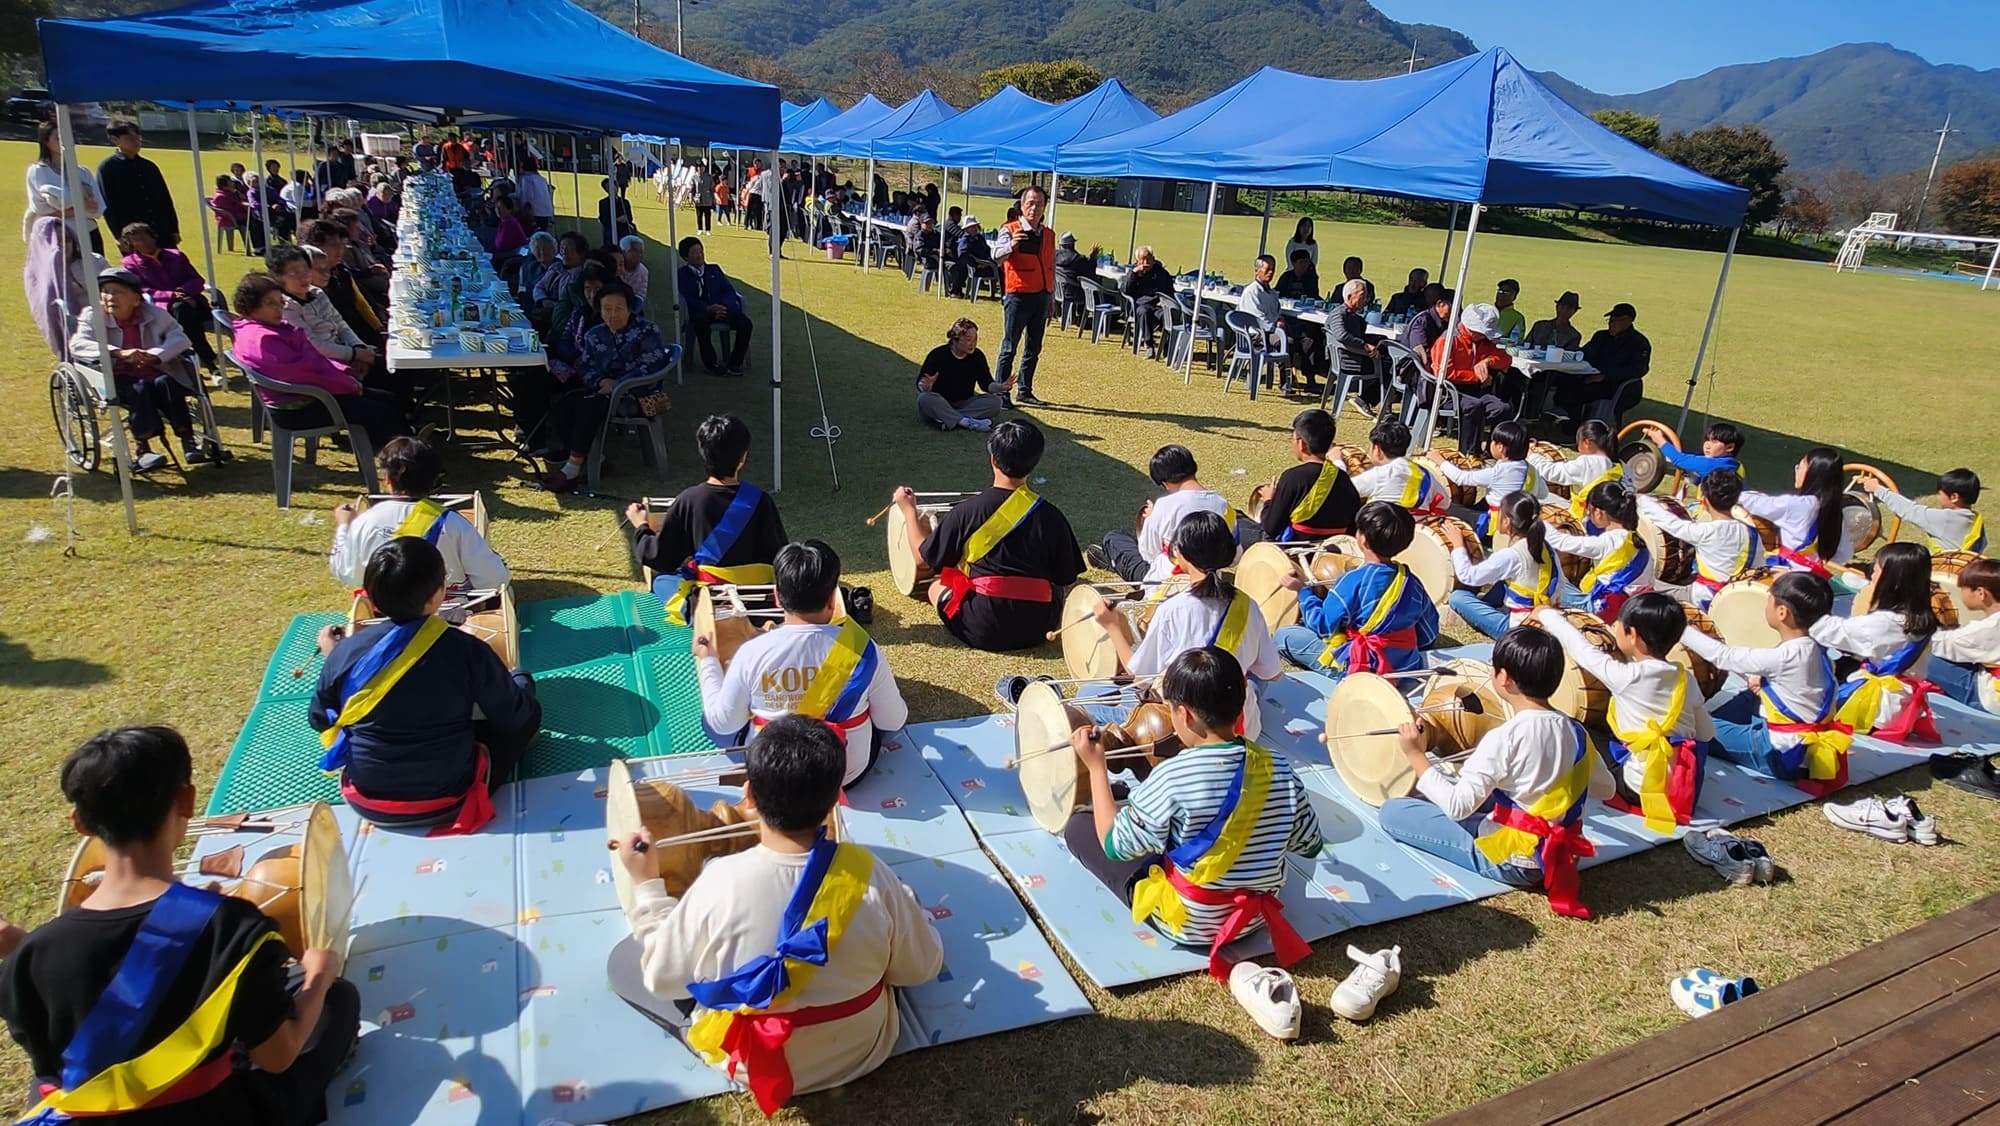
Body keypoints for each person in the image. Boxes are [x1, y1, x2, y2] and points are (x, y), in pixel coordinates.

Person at [0, 726, 359, 1124]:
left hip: (90, 1114)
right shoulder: (232, 929)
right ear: (187, 800)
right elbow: (278, 1056)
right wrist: (318, 978)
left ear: (80, 823)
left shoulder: (29, 958)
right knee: (339, 1002)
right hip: (214, 1114)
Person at [610, 714, 943, 1117]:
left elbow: (664, 982)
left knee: (627, 961)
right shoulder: (870, 874)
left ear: (748, 795)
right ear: (836, 795)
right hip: (860, 1048)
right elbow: (921, 968)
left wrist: (647, 887)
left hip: (755, 1062)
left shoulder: (719, 884)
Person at [1064, 646, 1321, 1002]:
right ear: (1242, 699)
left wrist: (1096, 768)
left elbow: (1113, 844)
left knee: (1079, 826)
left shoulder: (1173, 776)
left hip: (1191, 924)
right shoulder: (1278, 765)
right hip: (1257, 916)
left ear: (1183, 715)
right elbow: (1310, 844)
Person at [1379, 626, 1612, 919]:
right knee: (1481, 794)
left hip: (1513, 860)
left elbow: (1457, 806)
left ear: (1504, 678)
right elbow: (1607, 789)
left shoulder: (1505, 737)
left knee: (1394, 811)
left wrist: (1416, 755)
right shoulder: (1576, 731)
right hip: (1565, 854)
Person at [313, 536, 540, 832]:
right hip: (448, 798)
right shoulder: (466, 650)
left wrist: (333, 657)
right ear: (437, 596)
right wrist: (518, 679)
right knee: (527, 706)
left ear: (371, 599)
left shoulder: (345, 651)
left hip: (367, 800)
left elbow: (320, 719)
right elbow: (513, 717)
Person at [696, 541, 908, 786]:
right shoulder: (862, 647)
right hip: (844, 774)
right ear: (833, 599)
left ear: (776, 596)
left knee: (712, 720)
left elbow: (723, 724)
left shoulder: (751, 653)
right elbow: (892, 721)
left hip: (776, 778)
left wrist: (708, 660)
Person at [896, 420, 1083, 651]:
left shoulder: (966, 511)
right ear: (1034, 463)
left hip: (982, 627)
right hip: (1040, 626)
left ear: (993, 459)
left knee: (936, 585)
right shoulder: (1052, 516)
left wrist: (909, 511)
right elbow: (1067, 580)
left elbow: (921, 559)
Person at [1093, 514, 1283, 741]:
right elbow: (1273, 674)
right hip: (1243, 727)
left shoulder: (1173, 610)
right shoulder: (1248, 606)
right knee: (1252, 682)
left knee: (1090, 695)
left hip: (1185, 730)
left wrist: (1113, 626)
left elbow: (1139, 676)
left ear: (1181, 554)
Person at [1533, 595, 1715, 832]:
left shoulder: (1627, 678)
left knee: (1572, 725)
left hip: (1637, 788)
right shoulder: (1685, 679)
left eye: (1619, 623)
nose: (1614, 627)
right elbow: (1706, 733)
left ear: (1634, 636)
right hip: (1680, 788)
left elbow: (1582, 650)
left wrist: (1547, 615)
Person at [1679, 571, 1853, 796]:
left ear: (1782, 612)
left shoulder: (1788, 656)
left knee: (1696, 728)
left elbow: (1723, 657)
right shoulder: (1817, 647)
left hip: (1781, 753)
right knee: (1748, 695)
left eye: (1768, 599)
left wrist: (1679, 628)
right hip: (1802, 744)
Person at [629, 414, 788, 620]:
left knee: (663, 580)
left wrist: (641, 526)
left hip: (709, 605)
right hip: (757, 603)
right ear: (743, 457)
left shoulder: (689, 500)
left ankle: (694, 612)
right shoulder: (761, 500)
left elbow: (660, 558)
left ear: (703, 454)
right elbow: (778, 555)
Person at [230, 272, 408, 449]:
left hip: (312, 394)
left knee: (387, 399)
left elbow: (314, 361)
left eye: (281, 302)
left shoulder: (263, 329)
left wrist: (344, 373)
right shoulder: (264, 339)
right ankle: (405, 457)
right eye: (270, 303)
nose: (279, 309)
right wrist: (347, 383)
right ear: (250, 306)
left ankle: (406, 442)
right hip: (301, 406)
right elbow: (303, 374)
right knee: (381, 410)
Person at [1274, 501, 1439, 675]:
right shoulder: (1410, 581)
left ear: (1362, 539)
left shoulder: (1351, 581)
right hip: (1406, 667)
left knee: (1284, 636)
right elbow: (1429, 632)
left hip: (1360, 667)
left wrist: (1303, 591)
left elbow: (1322, 626)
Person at [329, 436, 509, 591]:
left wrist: (344, 526)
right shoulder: (452, 523)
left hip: (383, 614)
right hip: (448, 615)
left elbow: (346, 572)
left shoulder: (365, 520)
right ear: (433, 480)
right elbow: (493, 580)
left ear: (388, 480)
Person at [69, 268, 201, 471]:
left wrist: (155, 354)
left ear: (136, 299)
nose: (110, 297)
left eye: (118, 292)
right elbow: (78, 344)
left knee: (167, 384)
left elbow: (180, 337)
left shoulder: (154, 313)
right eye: (105, 291)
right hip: (116, 376)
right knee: (140, 389)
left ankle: (188, 441)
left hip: (154, 370)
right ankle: (143, 449)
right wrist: (117, 352)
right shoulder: (92, 315)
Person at [542, 284, 669, 492]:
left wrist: (619, 385)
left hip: (636, 395)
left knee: (589, 407)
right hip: (601, 390)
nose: (612, 315)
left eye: (619, 309)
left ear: (629, 308)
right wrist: (601, 382)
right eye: (606, 309)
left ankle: (572, 469)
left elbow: (651, 366)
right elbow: (585, 366)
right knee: (564, 404)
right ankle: (595, 458)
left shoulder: (647, 331)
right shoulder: (594, 335)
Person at [1818, 542, 1941, 742]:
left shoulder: (1883, 623)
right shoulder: (1922, 617)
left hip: (1876, 710)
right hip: (1904, 705)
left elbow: (1825, 631)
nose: (1871, 575)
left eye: (1875, 570)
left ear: (1890, 581)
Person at [1090, 444, 1237, 585]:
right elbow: (1235, 555)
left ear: (1165, 482)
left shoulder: (1165, 506)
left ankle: (1111, 560)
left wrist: (1150, 520)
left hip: (1166, 582)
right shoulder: (1224, 505)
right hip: (1212, 577)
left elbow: (1148, 554)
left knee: (1114, 538)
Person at [1446, 492, 1564, 639]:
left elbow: (1468, 576)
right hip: (1550, 617)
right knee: (1505, 580)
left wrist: (1458, 546)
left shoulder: (1512, 555)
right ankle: (1487, 605)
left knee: (1458, 597)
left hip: (1520, 630)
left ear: (1507, 521)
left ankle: (1489, 612)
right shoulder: (1545, 546)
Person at [1638, 470, 1758, 608]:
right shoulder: (1751, 532)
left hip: (1703, 597)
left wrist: (1642, 500)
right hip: (1736, 596)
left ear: (1704, 501)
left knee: (1647, 584)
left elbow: (1670, 523)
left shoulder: (1705, 532)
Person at [117, 221, 219, 374]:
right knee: (182, 312)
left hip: (191, 302)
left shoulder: (176, 255)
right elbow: (141, 289)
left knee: (183, 311)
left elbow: (197, 279)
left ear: (153, 237)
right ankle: (209, 362)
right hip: (160, 309)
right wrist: (171, 296)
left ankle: (199, 361)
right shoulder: (130, 264)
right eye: (136, 241)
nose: (142, 243)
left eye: (144, 238)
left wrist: (183, 292)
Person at [1547, 480, 1655, 621]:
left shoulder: (1606, 542)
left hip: (1608, 610)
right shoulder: (1638, 538)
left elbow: (1559, 541)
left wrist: (1534, 520)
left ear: (1598, 512)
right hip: (1639, 605)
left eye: (1589, 509)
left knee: (1550, 580)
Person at [1254, 408, 1363, 542]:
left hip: (1297, 549)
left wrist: (1269, 500)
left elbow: (1270, 527)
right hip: (1335, 552)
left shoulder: (1293, 478)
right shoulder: (1343, 478)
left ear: (1301, 444)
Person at [1426, 420, 1547, 539]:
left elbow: (1461, 478)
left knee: (1444, 505)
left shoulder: (1498, 473)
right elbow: (1543, 493)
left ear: (1500, 447)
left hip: (1495, 528)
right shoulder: (1531, 469)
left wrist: (1440, 461)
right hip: (1522, 523)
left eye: (1493, 442)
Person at [272, 245, 376, 380]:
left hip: (348, 353)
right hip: (327, 366)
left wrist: (358, 347)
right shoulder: (286, 308)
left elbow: (340, 324)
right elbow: (313, 344)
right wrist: (354, 354)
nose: (303, 277)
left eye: (306, 270)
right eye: (294, 273)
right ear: (278, 277)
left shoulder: (317, 293)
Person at [1740, 447, 1851, 574]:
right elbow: (1844, 554)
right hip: (1817, 575)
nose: (1797, 469)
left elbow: (1753, 502)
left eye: (1801, 466)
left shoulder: (1797, 505)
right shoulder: (1836, 511)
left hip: (1789, 573)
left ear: (1813, 473)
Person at [993, 185, 1055, 405]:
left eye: (1039, 203)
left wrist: (1051, 296)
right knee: (1009, 346)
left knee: (1034, 347)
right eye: (1030, 203)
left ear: (1044, 206)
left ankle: (1025, 390)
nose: (1034, 208)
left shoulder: (1049, 234)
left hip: (1041, 296)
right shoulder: (1009, 229)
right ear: (1021, 205)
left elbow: (1050, 266)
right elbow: (996, 256)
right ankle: (1001, 392)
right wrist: (1012, 244)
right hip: (1018, 295)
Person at [1430, 302, 1517, 452]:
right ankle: (1469, 453)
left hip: (1476, 391)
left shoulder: (1483, 342)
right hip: (1449, 392)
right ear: (1473, 330)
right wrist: (1476, 377)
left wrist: (1488, 361)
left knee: (1503, 408)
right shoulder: (1448, 341)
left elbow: (1506, 359)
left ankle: (1493, 451)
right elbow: (1444, 374)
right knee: (1473, 406)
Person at [1556, 302, 1651, 429]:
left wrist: (1605, 376)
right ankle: (1561, 417)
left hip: (1616, 385)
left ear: (1628, 321)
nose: (1611, 324)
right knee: (1563, 381)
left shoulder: (1639, 343)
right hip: (1589, 375)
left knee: (1578, 392)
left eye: (1615, 321)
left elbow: (1638, 370)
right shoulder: (1601, 336)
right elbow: (1585, 353)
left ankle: (1575, 428)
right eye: (1610, 320)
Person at [1925, 558, 2000, 716]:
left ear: (1981, 593)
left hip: (1991, 699)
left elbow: (1939, 644)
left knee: (1921, 655)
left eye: (1962, 589)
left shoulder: (1992, 627)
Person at [916, 316, 1011, 432]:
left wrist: (1000, 387)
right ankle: (966, 422)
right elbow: (921, 385)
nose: (972, 344)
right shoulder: (938, 355)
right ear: (955, 339)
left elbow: (986, 384)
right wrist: (926, 386)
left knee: (995, 402)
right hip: (941, 402)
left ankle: (949, 419)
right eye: (968, 339)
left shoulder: (977, 356)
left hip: (966, 403)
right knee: (924, 399)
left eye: (975, 340)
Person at [676, 236, 753, 376]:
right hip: (701, 312)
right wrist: (707, 308)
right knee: (701, 326)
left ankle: (734, 363)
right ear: (685, 257)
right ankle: (712, 363)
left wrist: (723, 306)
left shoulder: (714, 269)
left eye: (701, 251)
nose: (699, 255)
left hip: (724, 309)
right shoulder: (682, 274)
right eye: (694, 253)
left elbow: (729, 290)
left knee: (745, 324)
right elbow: (686, 297)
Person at [1861, 469, 1985, 554]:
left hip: (1940, 576)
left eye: (1940, 494)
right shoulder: (1975, 520)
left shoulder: (1945, 519)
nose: (1939, 497)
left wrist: (1877, 489)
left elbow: (1908, 510)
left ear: (1954, 497)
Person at [25, 119, 103, 252]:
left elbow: (98, 208)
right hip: (55, 236)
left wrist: (67, 207)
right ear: (46, 141)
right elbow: (40, 208)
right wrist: (79, 208)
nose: (64, 142)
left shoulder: (82, 172)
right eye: (58, 138)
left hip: (88, 233)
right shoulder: (38, 171)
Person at [96, 122, 179, 249]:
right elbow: (108, 206)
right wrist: (118, 236)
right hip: (134, 236)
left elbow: (165, 199)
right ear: (114, 139)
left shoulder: (149, 166)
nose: (136, 141)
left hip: (161, 230)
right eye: (130, 138)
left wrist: (174, 229)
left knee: (173, 266)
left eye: (137, 137)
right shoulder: (108, 168)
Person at [1531, 419, 1622, 527]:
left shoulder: (1587, 463)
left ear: (1587, 443)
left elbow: (1551, 472)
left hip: (1584, 519)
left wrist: (1532, 455)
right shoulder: (1619, 465)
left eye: (1578, 443)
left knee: (1535, 495)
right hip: (1610, 519)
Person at [1350, 418, 1449, 515]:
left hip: (1381, 527)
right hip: (1417, 527)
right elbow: (1445, 503)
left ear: (1377, 449)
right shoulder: (1424, 473)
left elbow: (1344, 490)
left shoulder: (1379, 474)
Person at [1323, 276, 1378, 399]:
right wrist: (1364, 345)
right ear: (1349, 297)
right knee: (1388, 368)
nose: (1365, 300)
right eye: (1362, 296)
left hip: (1353, 355)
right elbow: (1341, 335)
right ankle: (1366, 400)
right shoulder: (1339, 314)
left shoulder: (1353, 315)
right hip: (1349, 359)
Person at [1120, 245, 1178, 359]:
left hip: (1159, 305)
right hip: (1143, 304)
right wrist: (1134, 273)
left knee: (1167, 315)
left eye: (1149, 259)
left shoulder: (1161, 272)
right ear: (1137, 261)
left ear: (1153, 258)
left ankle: (1166, 347)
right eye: (1143, 260)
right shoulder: (1134, 273)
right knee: (1144, 312)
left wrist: (1165, 301)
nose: (1146, 262)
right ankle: (1149, 346)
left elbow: (1170, 291)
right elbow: (1124, 290)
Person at [1644, 419, 1744, 480]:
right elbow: (1710, 485)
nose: (1707, 445)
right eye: (1707, 440)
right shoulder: (1736, 466)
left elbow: (1679, 459)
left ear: (1730, 447)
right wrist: (1692, 476)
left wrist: (1660, 441)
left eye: (1714, 442)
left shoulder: (1709, 464)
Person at [532, 231, 589, 325]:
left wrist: (556, 306)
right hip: (545, 309)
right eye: (562, 248)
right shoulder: (556, 267)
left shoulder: (581, 274)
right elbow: (539, 286)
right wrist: (543, 299)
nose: (564, 252)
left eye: (569, 249)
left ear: (581, 253)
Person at [1052, 231, 1098, 328]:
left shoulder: (1054, 255)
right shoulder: (1078, 259)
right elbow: (1090, 274)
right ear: (1072, 244)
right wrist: (1092, 258)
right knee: (1093, 290)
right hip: (1075, 294)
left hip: (1057, 291)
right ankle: (1084, 318)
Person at [210, 173, 251, 255]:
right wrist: (246, 210)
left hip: (235, 216)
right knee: (256, 222)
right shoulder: (222, 197)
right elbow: (233, 211)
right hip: (231, 220)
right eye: (231, 183)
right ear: (224, 186)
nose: (233, 184)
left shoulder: (230, 193)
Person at [515, 156, 555, 231]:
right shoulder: (541, 179)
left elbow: (527, 198)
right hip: (545, 212)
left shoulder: (527, 179)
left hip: (534, 213)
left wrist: (524, 211)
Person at [597, 178, 633, 249]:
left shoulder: (625, 202)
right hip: (610, 227)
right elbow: (603, 219)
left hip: (623, 227)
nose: (611, 189)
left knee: (632, 237)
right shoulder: (603, 203)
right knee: (609, 235)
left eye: (613, 186)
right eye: (608, 187)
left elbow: (630, 218)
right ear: (606, 190)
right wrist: (616, 220)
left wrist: (625, 219)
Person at [617, 234, 650, 308]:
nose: (639, 255)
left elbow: (641, 295)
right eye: (635, 251)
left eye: (641, 252)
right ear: (624, 252)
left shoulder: (643, 271)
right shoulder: (615, 268)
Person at [694, 164, 715, 233]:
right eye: (699, 167)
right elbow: (692, 188)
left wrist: (713, 198)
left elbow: (712, 188)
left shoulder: (709, 177)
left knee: (707, 216)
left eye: (702, 167)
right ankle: (700, 229)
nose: (700, 169)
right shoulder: (694, 176)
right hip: (698, 199)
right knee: (699, 215)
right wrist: (692, 197)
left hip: (707, 199)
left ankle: (708, 229)